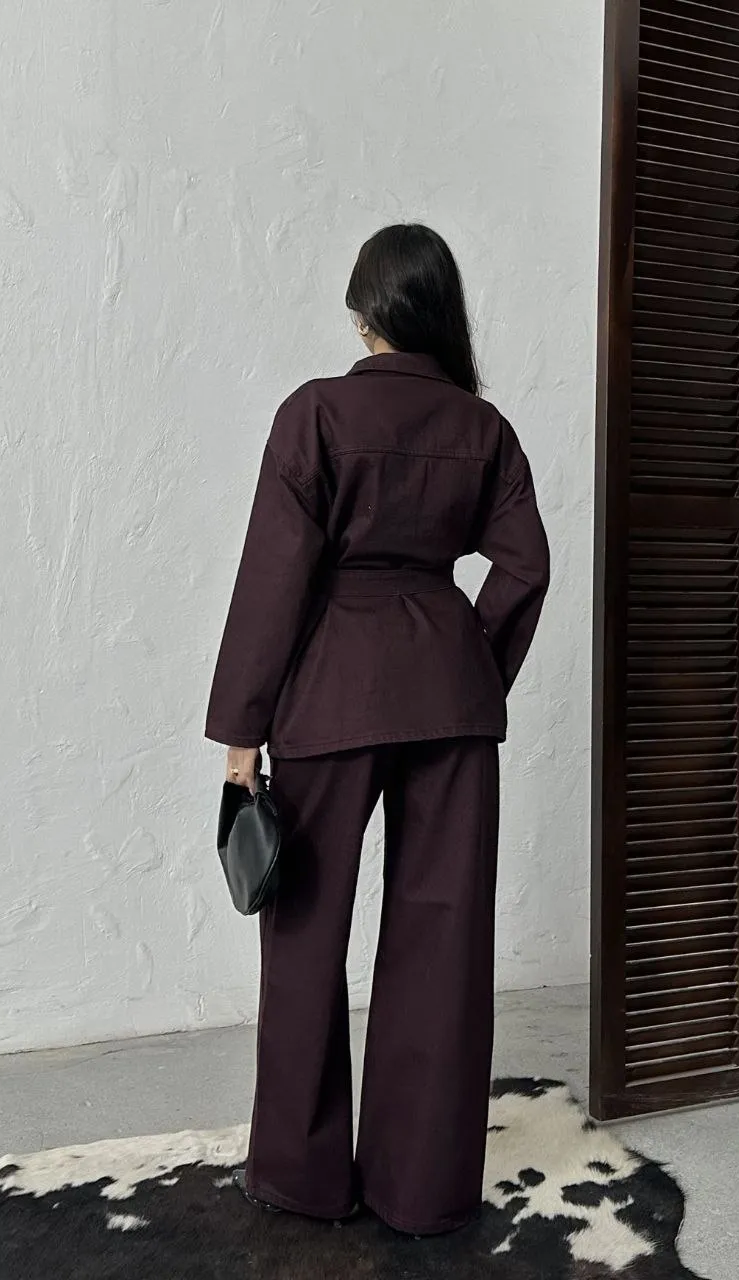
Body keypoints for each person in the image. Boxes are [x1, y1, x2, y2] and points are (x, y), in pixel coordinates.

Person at [204, 222, 550, 1237]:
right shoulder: (486, 430)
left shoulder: (315, 413)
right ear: (439, 312)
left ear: (364, 315)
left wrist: (241, 737)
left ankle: (303, 1176)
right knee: (444, 939)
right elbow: (525, 565)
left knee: (305, 934)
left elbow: (273, 582)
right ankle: (422, 1187)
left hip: (332, 694)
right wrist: (473, 666)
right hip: (450, 699)